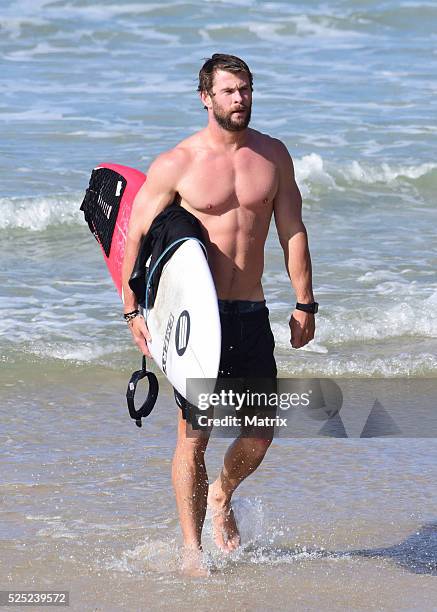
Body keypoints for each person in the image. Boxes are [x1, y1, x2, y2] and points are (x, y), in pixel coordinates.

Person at [121, 54, 317, 576]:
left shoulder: (272, 156)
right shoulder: (179, 163)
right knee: (195, 434)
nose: (240, 99)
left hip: (251, 312)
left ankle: (223, 495)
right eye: (230, 91)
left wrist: (305, 302)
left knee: (259, 432)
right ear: (206, 97)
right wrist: (133, 310)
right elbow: (136, 235)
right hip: (198, 320)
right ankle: (192, 549)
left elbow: (291, 230)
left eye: (246, 89)